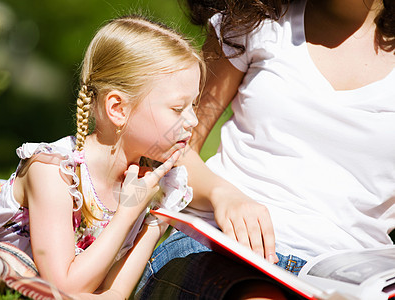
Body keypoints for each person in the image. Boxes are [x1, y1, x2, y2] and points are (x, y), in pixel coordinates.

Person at [136, 0, 395, 299]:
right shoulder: (254, 21)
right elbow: (164, 147)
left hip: (351, 280)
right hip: (224, 247)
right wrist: (222, 195)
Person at [0, 15, 206, 299]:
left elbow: (115, 293)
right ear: (117, 108)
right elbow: (64, 287)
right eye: (178, 108)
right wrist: (128, 211)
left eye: (193, 105)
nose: (193, 120)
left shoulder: (157, 186)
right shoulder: (54, 171)